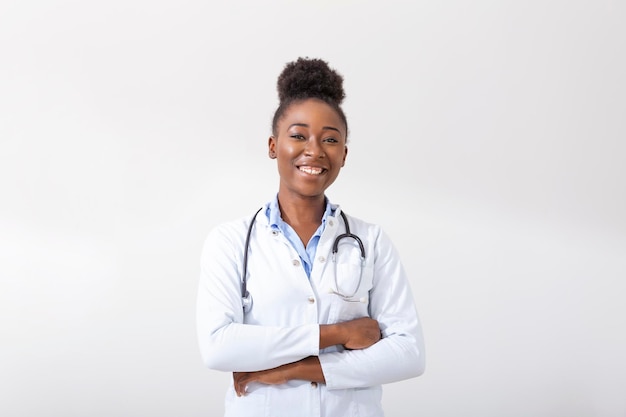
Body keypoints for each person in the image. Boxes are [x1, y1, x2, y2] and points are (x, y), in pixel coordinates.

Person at [196, 57, 425, 417]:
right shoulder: (230, 241)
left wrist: (298, 369)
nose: (314, 150)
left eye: (330, 139)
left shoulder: (371, 240)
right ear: (273, 146)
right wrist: (336, 334)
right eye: (298, 135)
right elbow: (218, 347)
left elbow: (408, 353)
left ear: (344, 154)